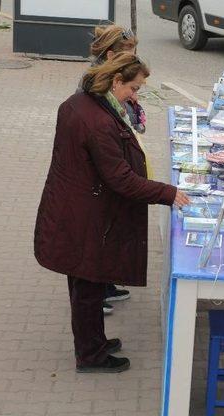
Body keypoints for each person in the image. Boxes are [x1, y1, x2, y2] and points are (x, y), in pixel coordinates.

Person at [34, 53, 190, 373]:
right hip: (85, 214)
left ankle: (96, 342)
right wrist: (168, 193)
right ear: (116, 81)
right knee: (88, 286)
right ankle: (90, 356)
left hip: (75, 206)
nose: (136, 95)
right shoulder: (99, 121)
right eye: (134, 88)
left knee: (85, 283)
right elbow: (120, 179)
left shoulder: (83, 103)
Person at [88, 25, 147, 308]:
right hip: (100, 177)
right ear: (111, 55)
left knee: (110, 231)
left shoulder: (114, 82)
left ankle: (105, 283)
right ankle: (95, 292)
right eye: (128, 58)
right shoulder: (95, 86)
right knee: (101, 232)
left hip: (109, 168)